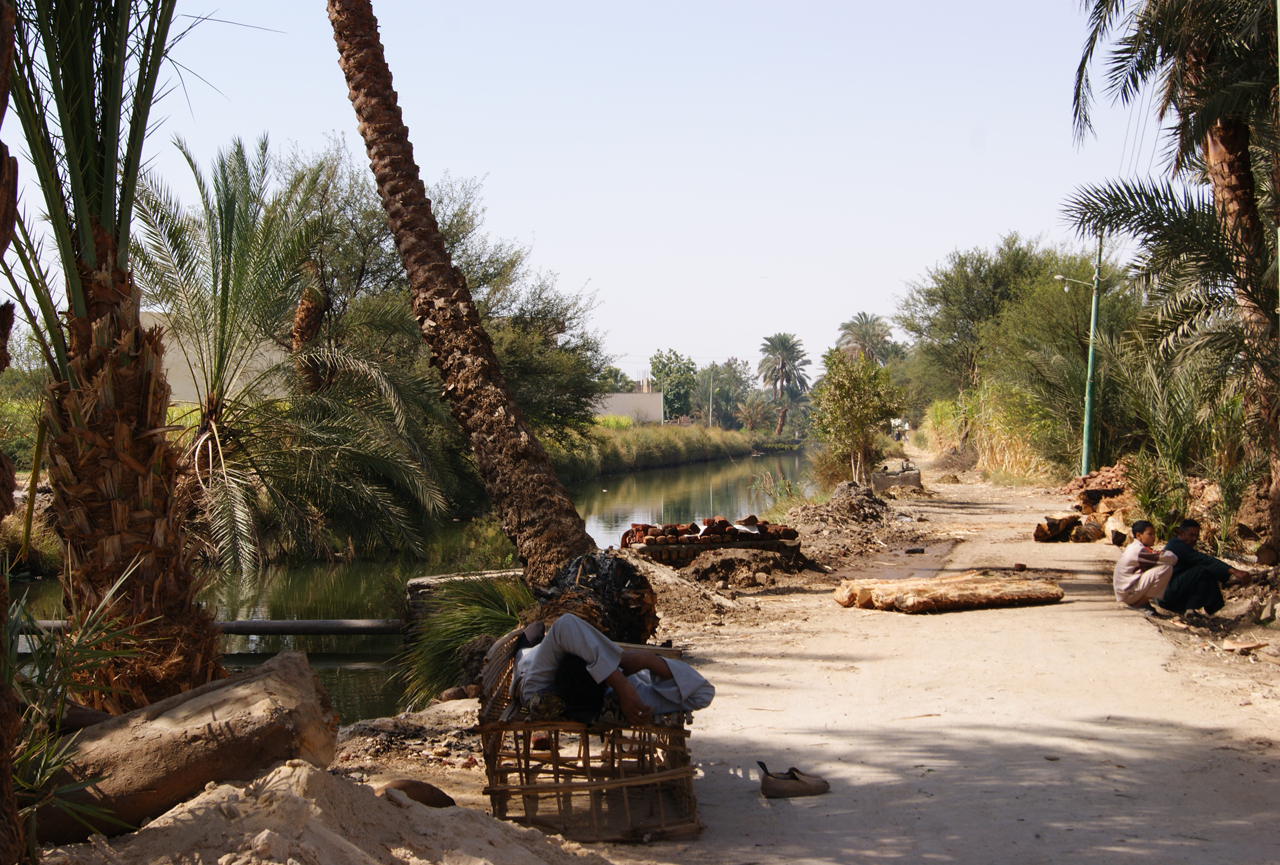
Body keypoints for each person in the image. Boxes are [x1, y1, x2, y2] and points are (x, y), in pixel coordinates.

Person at [511, 613, 715, 726]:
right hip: (554, 662)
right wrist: (645, 660)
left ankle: (539, 642)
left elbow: (566, 626)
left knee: (535, 630)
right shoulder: (625, 696)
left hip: (529, 660)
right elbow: (702, 694)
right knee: (539, 629)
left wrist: (620, 680)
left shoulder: (536, 687)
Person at [1158, 518, 1252, 615]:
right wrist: (1235, 572)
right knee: (1201, 570)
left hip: (1168, 592)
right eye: (1191, 535)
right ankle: (1195, 607)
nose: (1194, 539)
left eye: (1196, 536)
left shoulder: (1177, 544)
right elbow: (1205, 560)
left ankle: (1192, 608)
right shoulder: (1177, 546)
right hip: (1165, 594)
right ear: (1181, 533)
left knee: (1202, 570)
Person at [1113, 520, 1176, 614]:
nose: (1153, 537)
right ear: (1139, 535)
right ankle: (1140, 603)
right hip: (1128, 594)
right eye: (1150, 534)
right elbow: (1172, 559)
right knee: (1166, 568)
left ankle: (1141, 602)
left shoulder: (1136, 547)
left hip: (1125, 592)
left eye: (1154, 534)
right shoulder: (1139, 551)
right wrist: (1166, 553)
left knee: (1160, 565)